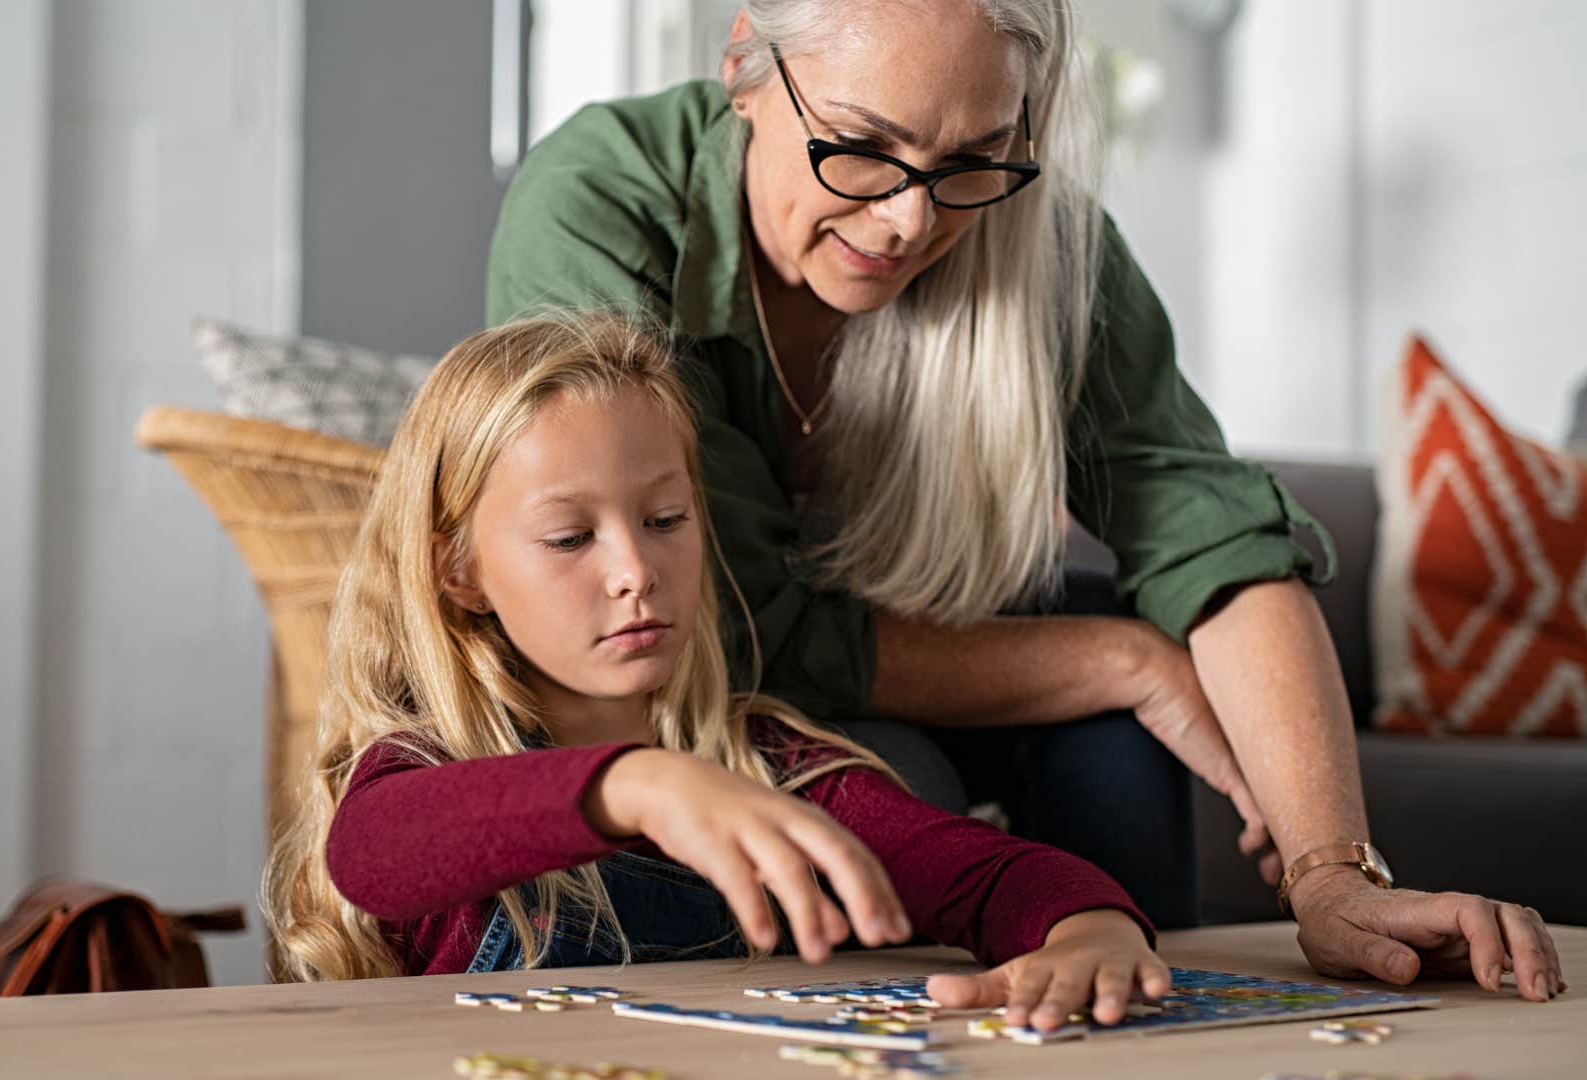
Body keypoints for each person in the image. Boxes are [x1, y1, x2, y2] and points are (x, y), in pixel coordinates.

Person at [484, 0, 1564, 998]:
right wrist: (1125, 659)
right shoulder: (599, 201)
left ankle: (1149, 1024)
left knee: (1109, 740)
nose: (910, 220)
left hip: (920, 642)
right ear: (744, 68)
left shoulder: (1048, 242)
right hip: (692, 698)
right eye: (861, 147)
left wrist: (1335, 877)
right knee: (906, 774)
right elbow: (720, 626)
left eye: (970, 162)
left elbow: (1215, 539)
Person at [262, 313, 1170, 1033]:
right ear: (458, 571)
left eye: (664, 519)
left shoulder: (774, 765)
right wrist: (636, 785)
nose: (635, 570)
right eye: (571, 537)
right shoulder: (422, 771)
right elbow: (370, 852)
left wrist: (1090, 929)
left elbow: (985, 877)